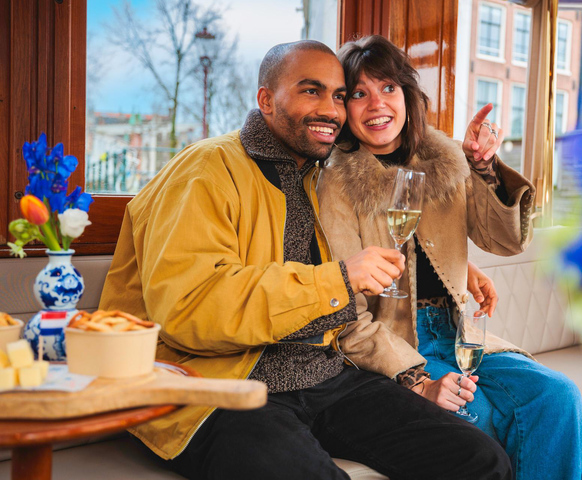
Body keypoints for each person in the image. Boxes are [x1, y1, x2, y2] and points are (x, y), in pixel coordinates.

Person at [99, 40, 513, 480]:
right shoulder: (205, 170)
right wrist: (337, 281)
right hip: (220, 385)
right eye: (310, 91)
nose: (331, 110)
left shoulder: (322, 174)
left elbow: (399, 231)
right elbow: (189, 307)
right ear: (265, 100)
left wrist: (455, 263)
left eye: (338, 95)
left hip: (326, 374)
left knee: (479, 460)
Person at [317, 35, 582, 480]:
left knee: (559, 396)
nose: (375, 104)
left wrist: (483, 169)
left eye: (387, 87)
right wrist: (416, 381)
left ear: (407, 94)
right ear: (344, 109)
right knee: (476, 417)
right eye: (359, 93)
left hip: (459, 331)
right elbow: (346, 311)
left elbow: (504, 241)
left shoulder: (442, 159)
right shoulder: (337, 184)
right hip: (397, 341)